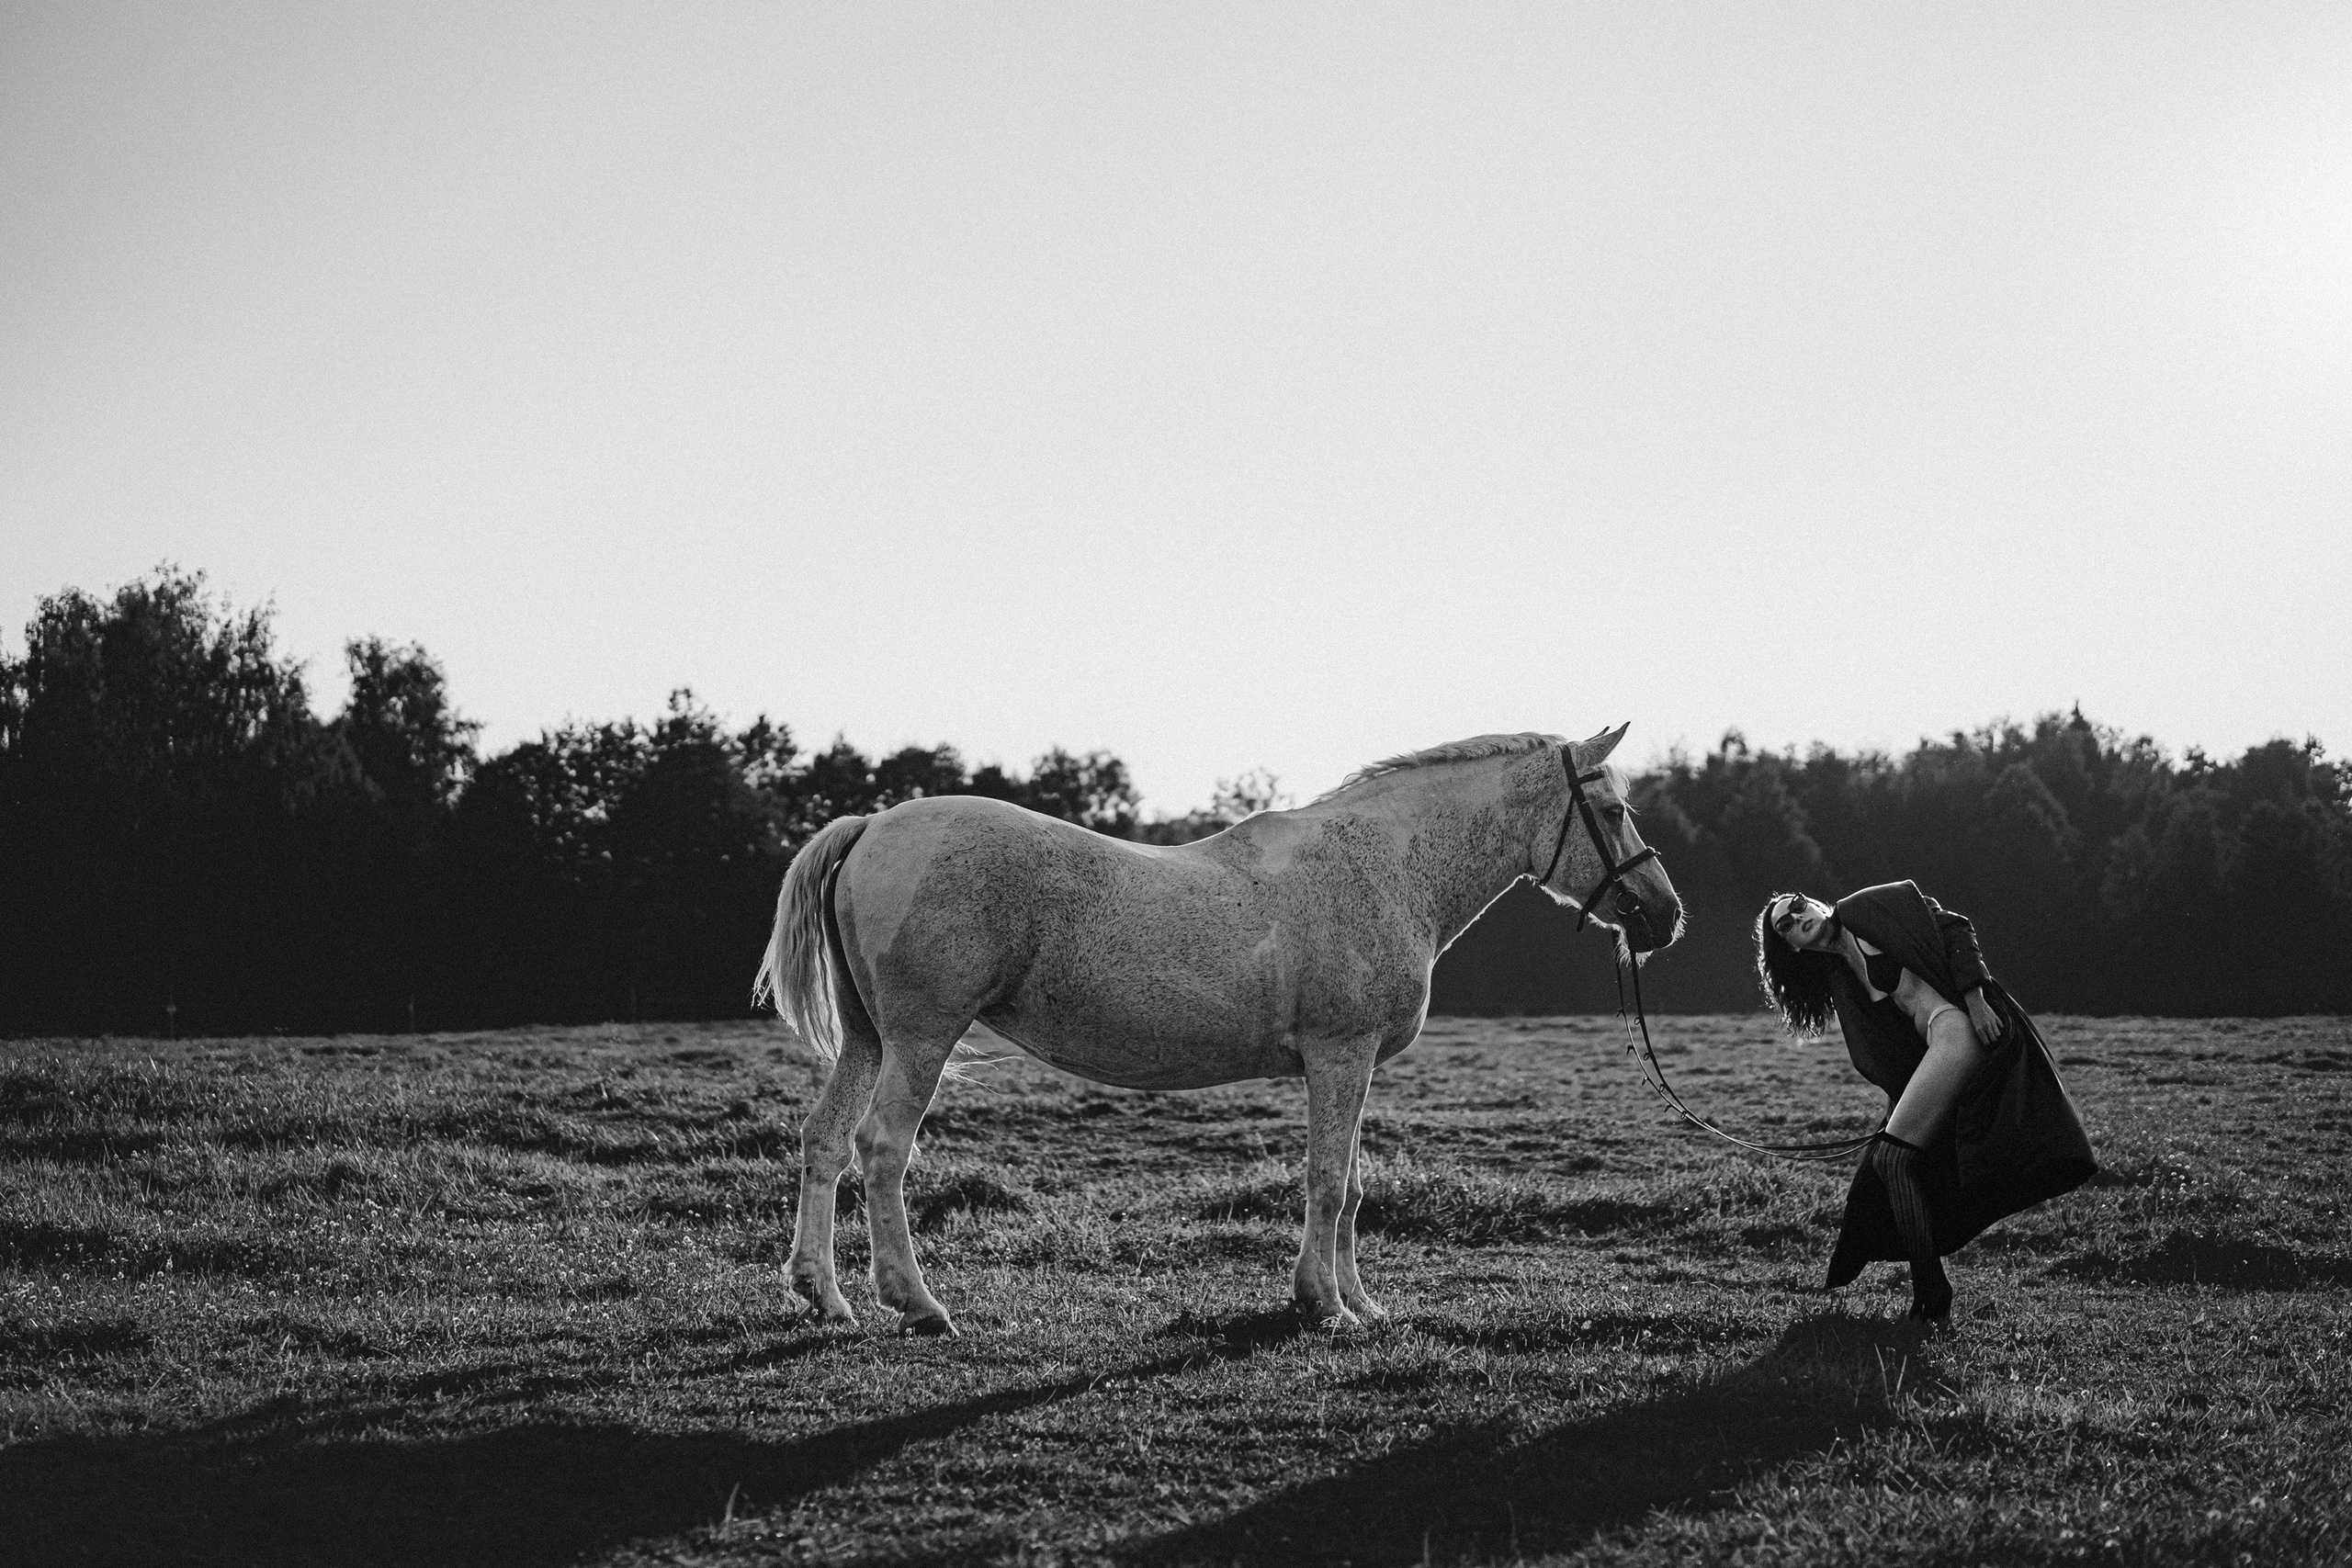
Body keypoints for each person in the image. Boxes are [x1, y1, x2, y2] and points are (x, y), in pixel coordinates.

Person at [1756, 881, 2096, 1322]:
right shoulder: (1840, 974)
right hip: (1938, 1047)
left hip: (1954, 1027)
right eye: (1786, 925)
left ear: (1816, 904)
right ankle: (1930, 1292)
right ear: (1793, 946)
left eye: (1798, 906)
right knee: (1891, 1164)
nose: (1798, 919)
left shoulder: (1869, 910)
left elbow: (1954, 927)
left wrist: (1975, 998)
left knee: (1893, 1160)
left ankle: (1933, 1294)